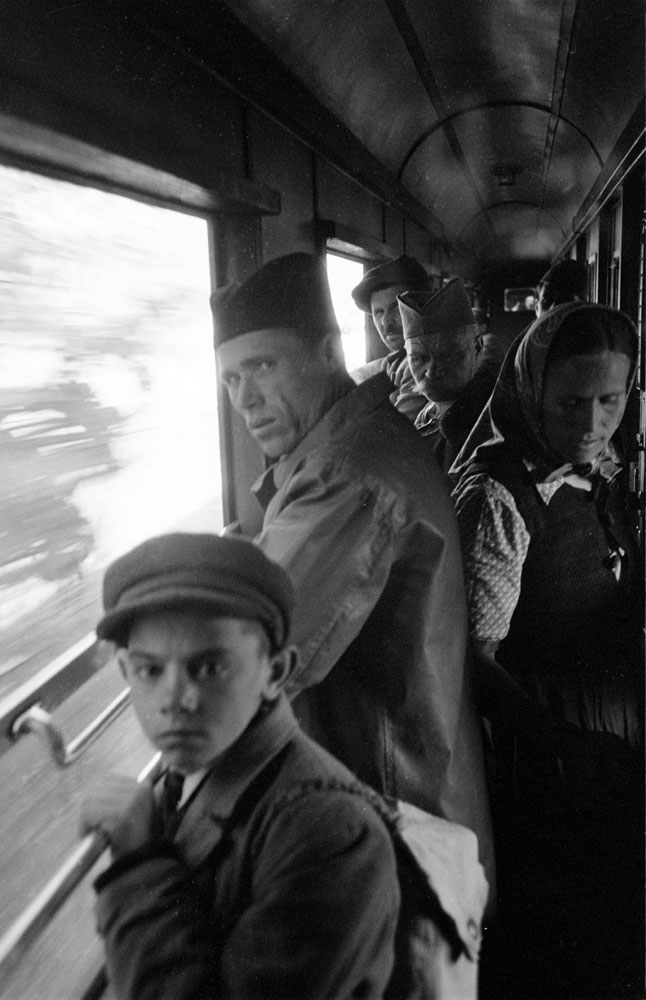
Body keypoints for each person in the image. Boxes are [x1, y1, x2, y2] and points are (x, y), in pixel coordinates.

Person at [212, 252, 495, 897]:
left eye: (263, 367)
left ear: (329, 351)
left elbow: (243, 663)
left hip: (403, 846)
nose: (245, 400)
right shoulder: (353, 441)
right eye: (230, 379)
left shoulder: (350, 474)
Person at [80, 532, 400, 1000]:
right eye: (151, 670)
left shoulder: (330, 834)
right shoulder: (186, 779)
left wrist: (138, 865)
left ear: (274, 674)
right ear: (127, 673)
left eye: (208, 668)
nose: (174, 701)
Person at [451, 302, 644, 999]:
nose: (592, 424)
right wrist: (562, 742)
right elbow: (476, 660)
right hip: (542, 743)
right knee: (559, 923)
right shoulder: (504, 498)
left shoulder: (605, 465)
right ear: (532, 392)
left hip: (607, 721)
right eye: (570, 402)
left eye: (609, 401)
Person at [398, 277, 500, 472]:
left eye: (448, 355)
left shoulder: (485, 425)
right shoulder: (429, 411)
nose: (432, 370)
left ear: (477, 347)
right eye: (419, 358)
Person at [350, 253, 433, 421]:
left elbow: (396, 437)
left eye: (396, 307)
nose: (386, 322)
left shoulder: (421, 358)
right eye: (378, 312)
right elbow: (379, 366)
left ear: (420, 305)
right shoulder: (399, 357)